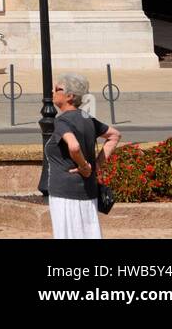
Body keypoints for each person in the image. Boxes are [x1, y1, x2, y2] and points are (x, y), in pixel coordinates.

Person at [45, 73, 120, 240]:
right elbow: (114, 135)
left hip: (65, 193)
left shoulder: (61, 121)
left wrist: (84, 166)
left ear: (70, 96)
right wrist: (97, 165)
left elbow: (74, 146)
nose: (53, 91)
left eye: (57, 89)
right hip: (88, 192)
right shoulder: (87, 118)